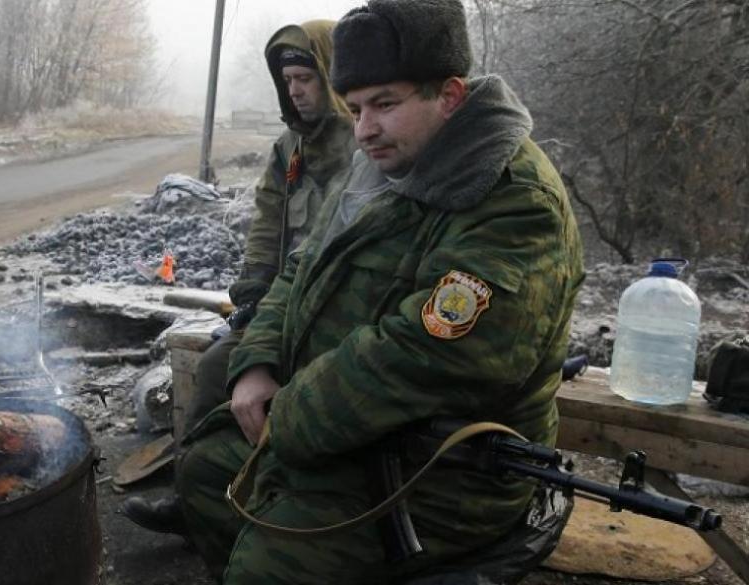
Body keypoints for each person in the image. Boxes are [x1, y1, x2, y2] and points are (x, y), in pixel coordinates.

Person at [173, 0, 586, 582]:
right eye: (356, 107)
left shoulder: (513, 200)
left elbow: (430, 354)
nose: (364, 129)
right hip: (342, 434)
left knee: (269, 565)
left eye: (385, 105)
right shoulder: (379, 164)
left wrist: (287, 419)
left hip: (443, 471)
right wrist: (257, 362)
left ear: (449, 96)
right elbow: (299, 269)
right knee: (204, 476)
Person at [121, 19, 355, 534]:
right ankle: (196, 496)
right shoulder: (287, 148)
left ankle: (270, 507)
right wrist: (250, 296)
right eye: (288, 80)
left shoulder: (367, 143)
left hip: (343, 309)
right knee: (212, 369)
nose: (295, 90)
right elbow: (268, 224)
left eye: (306, 78)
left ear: (334, 75)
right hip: (282, 304)